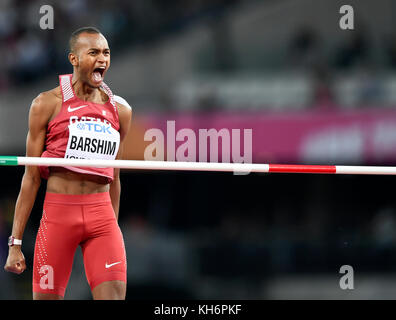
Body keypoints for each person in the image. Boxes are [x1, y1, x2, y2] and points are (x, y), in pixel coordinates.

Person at [3, 26, 132, 300]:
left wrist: (113, 229)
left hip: (102, 219)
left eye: (106, 53)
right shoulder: (46, 104)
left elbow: (115, 177)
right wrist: (15, 243)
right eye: (93, 52)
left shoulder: (121, 110)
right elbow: (31, 177)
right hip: (59, 217)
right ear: (73, 59)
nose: (102, 59)